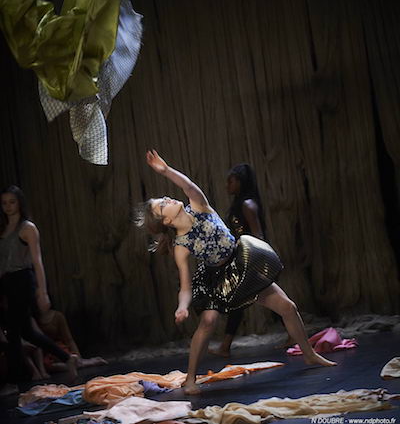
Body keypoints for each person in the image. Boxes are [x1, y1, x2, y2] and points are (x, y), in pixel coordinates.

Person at [137, 150, 336, 396]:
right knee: (208, 322)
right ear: (166, 222)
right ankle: (190, 379)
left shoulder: (199, 206)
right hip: (216, 278)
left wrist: (166, 171)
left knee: (287, 306)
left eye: (164, 198)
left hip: (242, 263)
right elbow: (186, 286)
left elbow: (187, 185)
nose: (167, 199)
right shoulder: (180, 246)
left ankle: (309, 354)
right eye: (162, 205)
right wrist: (182, 307)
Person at [0, 185, 78, 397]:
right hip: (8, 282)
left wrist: (42, 291)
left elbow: (37, 260)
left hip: (22, 280)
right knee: (27, 332)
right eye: (4, 203)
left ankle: (14, 382)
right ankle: (67, 358)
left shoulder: (27, 228)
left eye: (12, 202)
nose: (8, 207)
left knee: (13, 332)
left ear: (19, 203)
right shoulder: (4, 228)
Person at [209, 163, 293, 357]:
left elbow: (258, 235)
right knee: (241, 301)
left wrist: (256, 262)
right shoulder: (239, 204)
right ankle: (225, 347)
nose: (227, 185)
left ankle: (293, 335)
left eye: (230, 181)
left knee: (270, 300)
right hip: (244, 258)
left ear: (240, 182)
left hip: (253, 259)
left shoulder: (247, 204)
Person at [37, 308, 108, 373]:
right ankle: (81, 364)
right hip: (44, 352)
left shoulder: (57, 316)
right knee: (49, 365)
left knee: (66, 359)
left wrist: (79, 358)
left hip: (58, 348)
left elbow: (69, 339)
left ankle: (81, 363)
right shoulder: (34, 318)